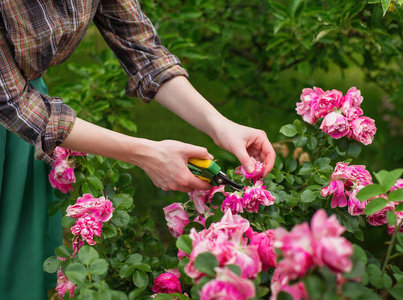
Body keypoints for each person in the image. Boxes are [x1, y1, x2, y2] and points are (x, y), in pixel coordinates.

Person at [0, 0, 275, 299]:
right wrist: (147, 154)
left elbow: (144, 52)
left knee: (22, 273)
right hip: (22, 111)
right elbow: (12, 104)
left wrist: (219, 125)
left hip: (29, 124)